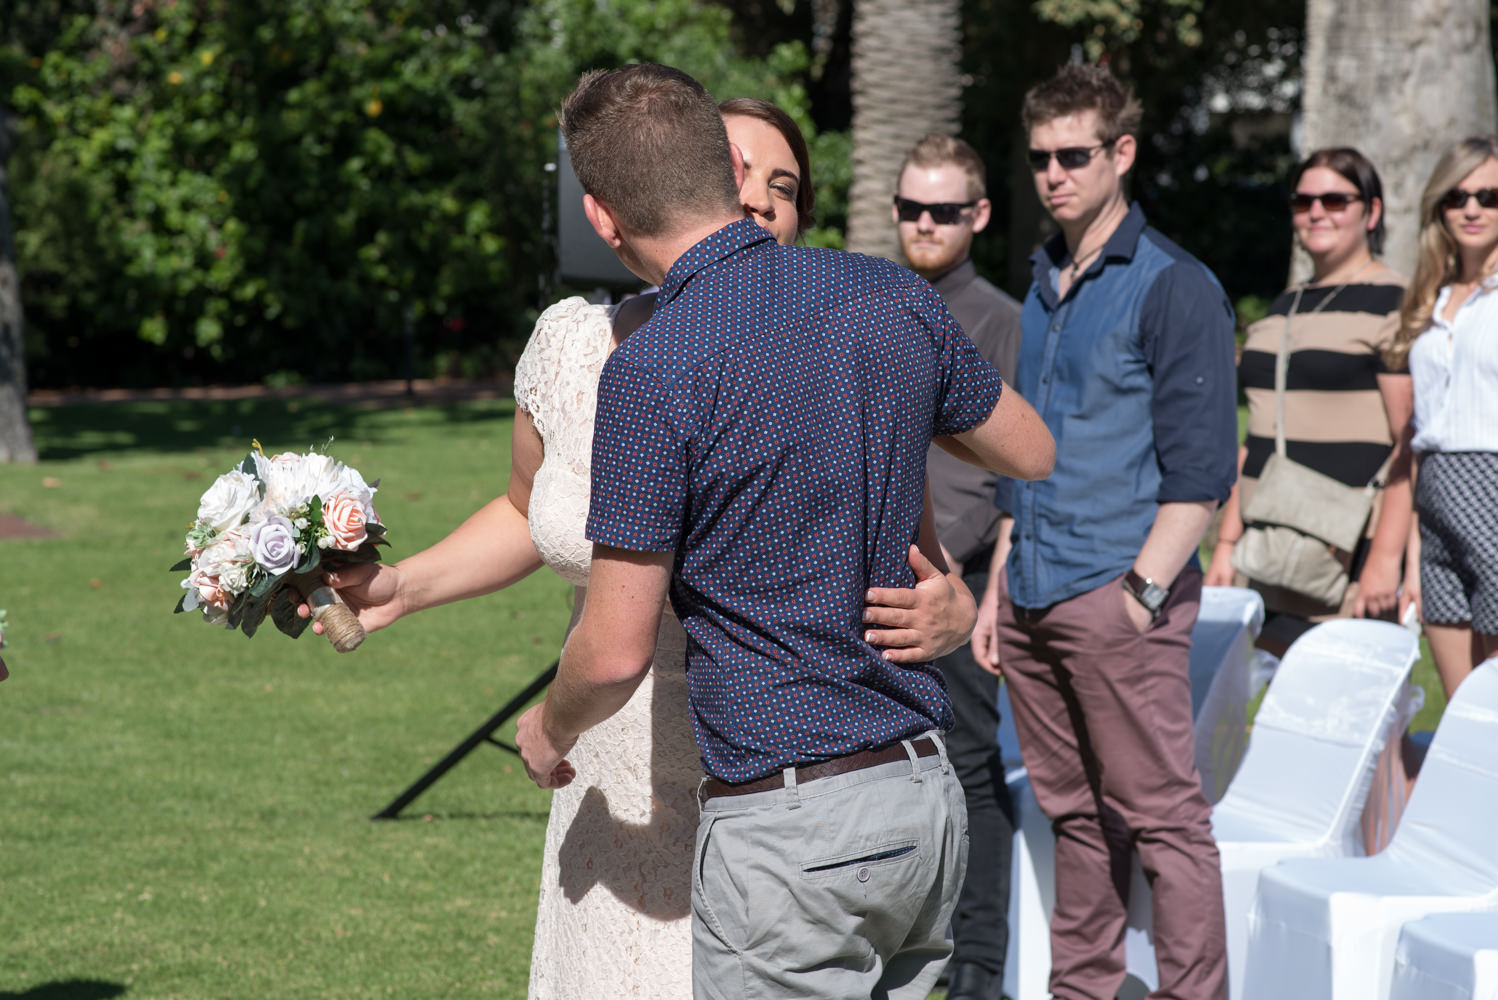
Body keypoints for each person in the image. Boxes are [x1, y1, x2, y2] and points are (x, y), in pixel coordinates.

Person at [310, 97, 973, 999]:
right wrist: (401, 587)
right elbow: (529, 510)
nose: (761, 202)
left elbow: (908, 527)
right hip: (605, 763)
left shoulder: (827, 347)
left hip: (768, 784)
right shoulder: (571, 344)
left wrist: (954, 603)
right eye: (741, 174)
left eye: (786, 188)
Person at [514, 62, 1055, 999]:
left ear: (603, 218)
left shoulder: (654, 367)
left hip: (791, 829)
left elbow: (610, 652)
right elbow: (1032, 449)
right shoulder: (889, 299)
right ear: (726, 173)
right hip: (922, 800)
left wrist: (546, 725)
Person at [971, 62, 1237, 1000]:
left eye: (1074, 155)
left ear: (1121, 154)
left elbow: (1203, 471)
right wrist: (1000, 585)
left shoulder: (1175, 286)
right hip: (1035, 591)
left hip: (1118, 594)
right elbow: (1028, 453)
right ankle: (1080, 990)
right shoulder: (1043, 278)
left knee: (1162, 819)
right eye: (1041, 157)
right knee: (1075, 816)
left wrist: (1139, 598)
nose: (1054, 174)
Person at [892, 132, 1021, 1000]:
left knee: (969, 771)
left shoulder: (1002, 319)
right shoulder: (864, 300)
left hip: (958, 580)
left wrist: (991, 588)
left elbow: (1027, 466)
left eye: (944, 210)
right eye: (911, 208)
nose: (925, 223)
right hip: (868, 582)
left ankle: (976, 966)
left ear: (977, 214)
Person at [1205, 148, 1413, 655]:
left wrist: (1385, 560)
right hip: (1267, 550)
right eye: (1303, 201)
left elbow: (1411, 441)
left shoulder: (1397, 302)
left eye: (1335, 200)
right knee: (1283, 720)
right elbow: (1254, 434)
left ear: (1373, 212)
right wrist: (1227, 544)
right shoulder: (1282, 308)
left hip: (1347, 560)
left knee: (1357, 724)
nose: (1317, 212)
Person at [1386, 135, 1498, 697]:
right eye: (1458, 197)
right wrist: (1410, 558)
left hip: (1494, 489)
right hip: (1434, 502)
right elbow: (1415, 441)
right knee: (1464, 716)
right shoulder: (1427, 298)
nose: (1473, 209)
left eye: (1489, 196)